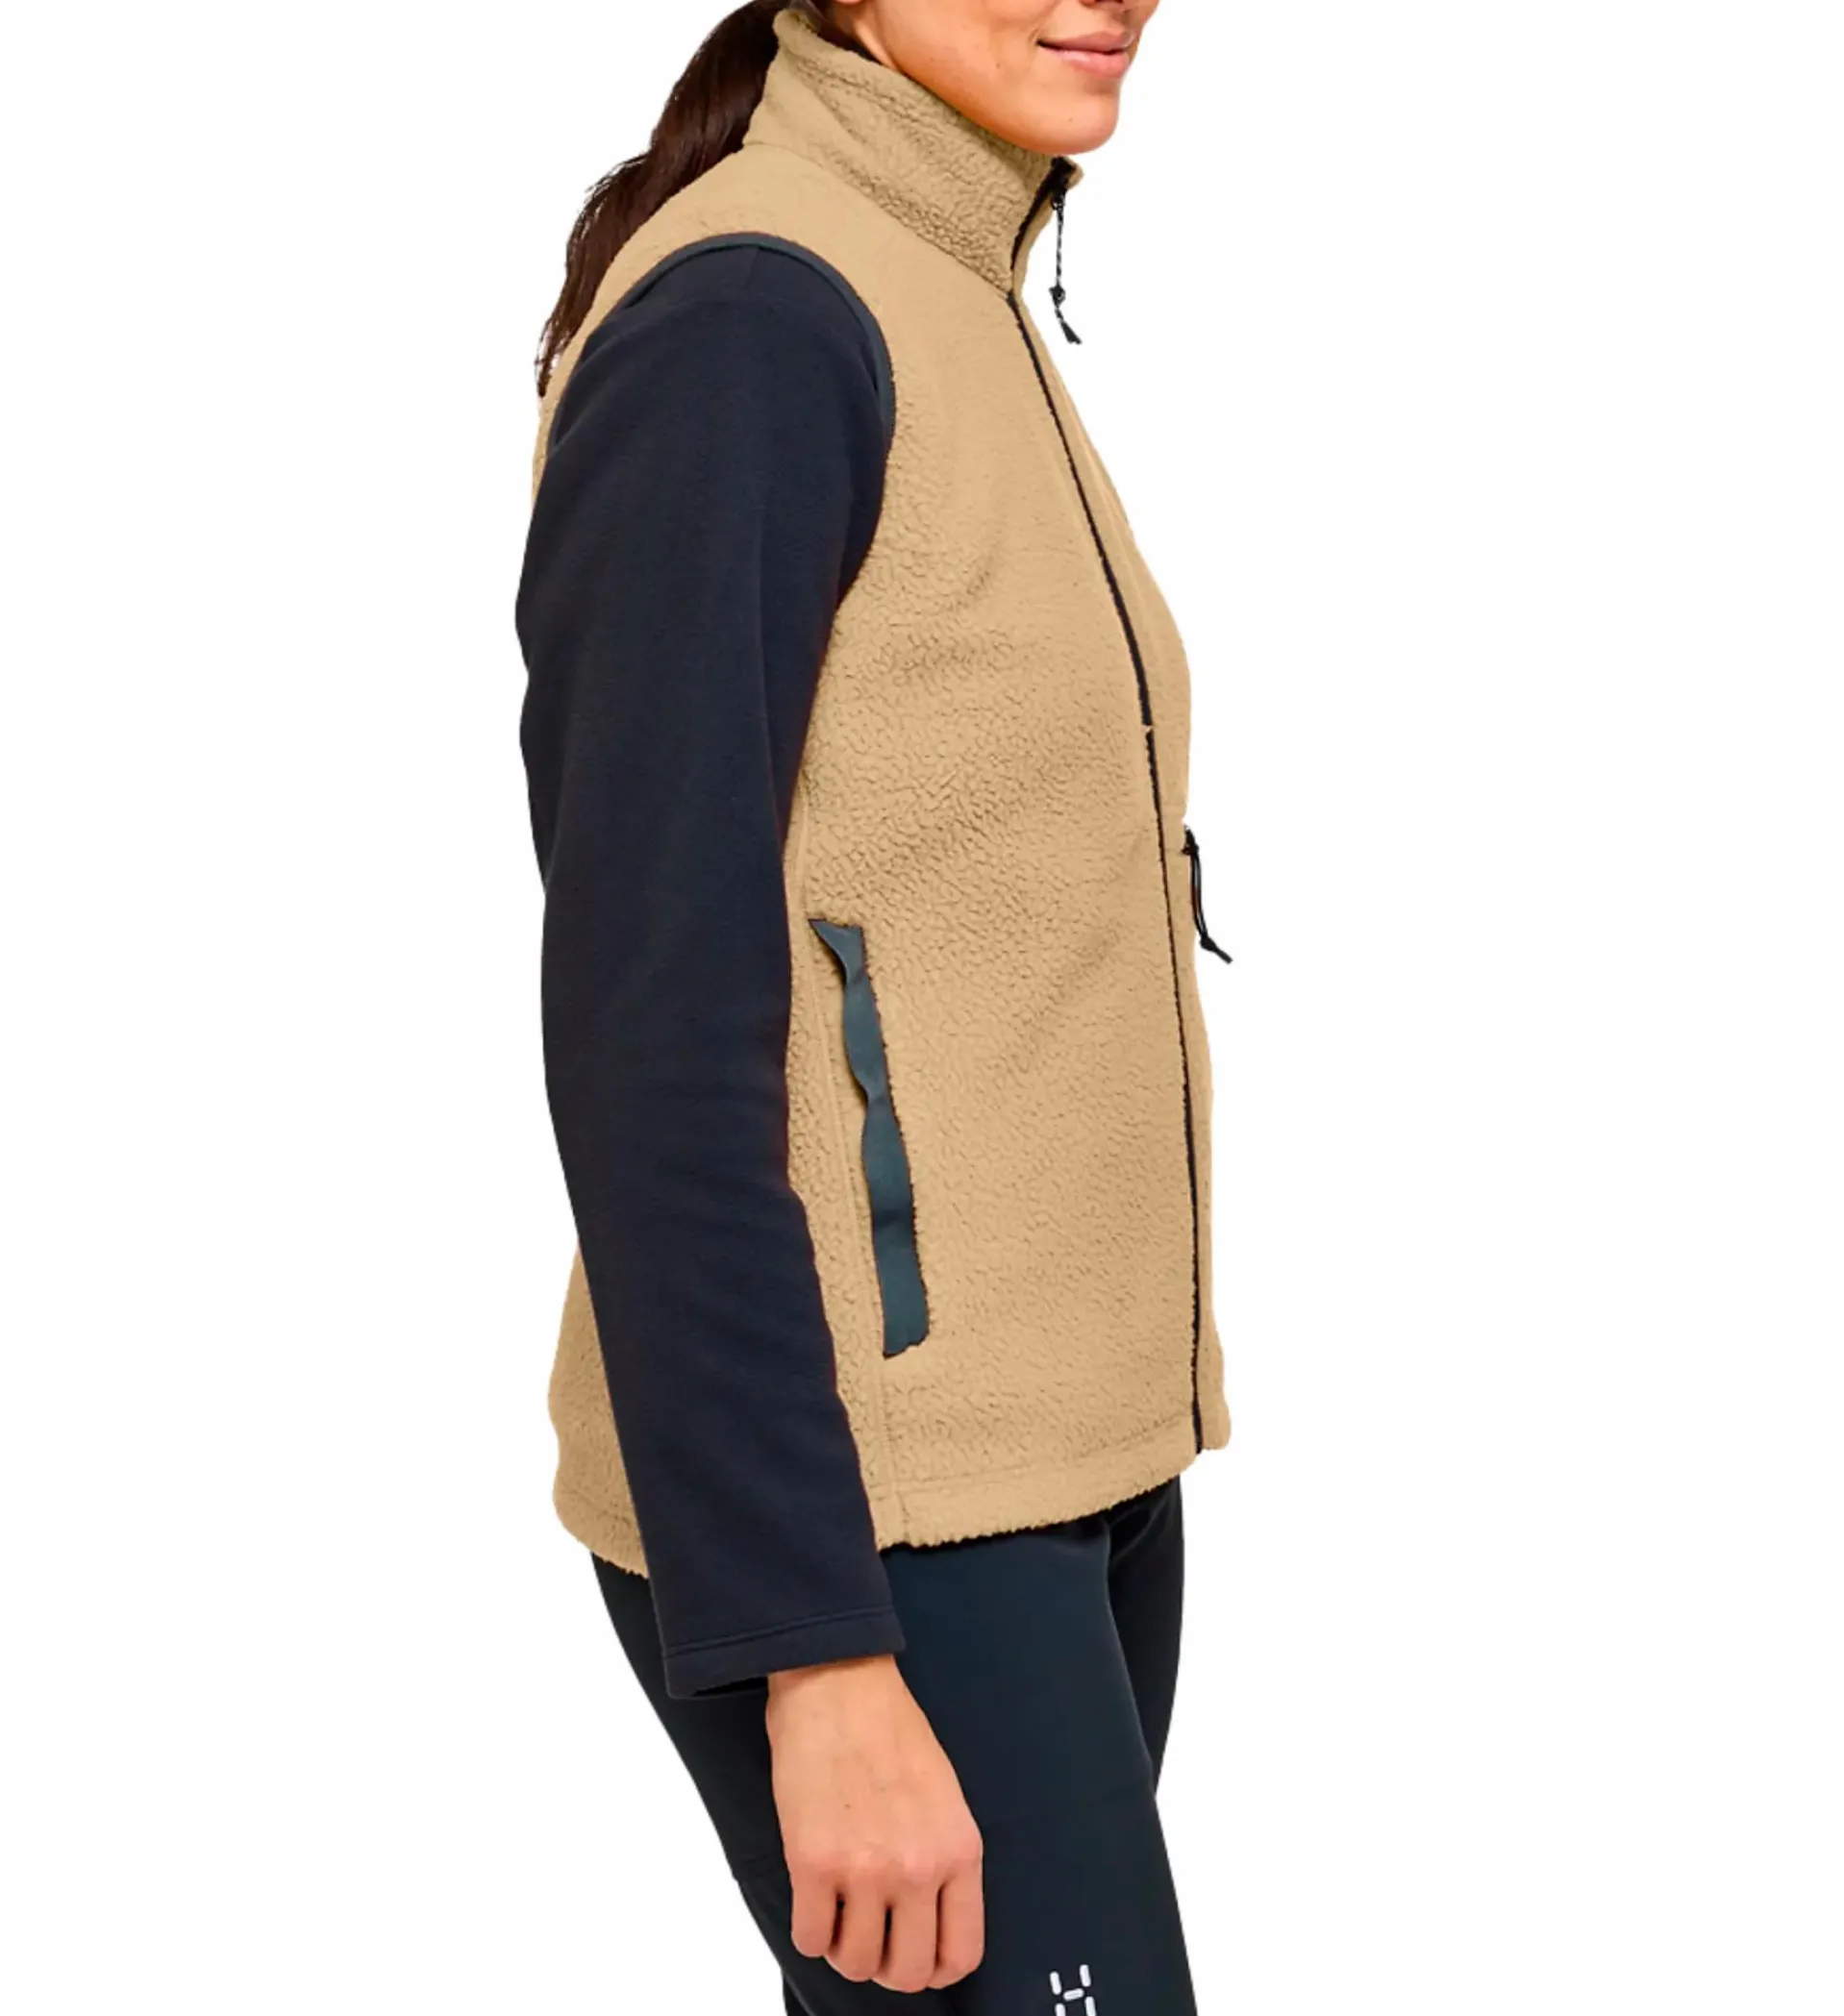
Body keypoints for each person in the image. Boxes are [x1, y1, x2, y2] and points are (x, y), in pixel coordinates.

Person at [514, 3, 1232, 2005]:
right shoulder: (756, 315)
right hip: (870, 1518)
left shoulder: (944, 261)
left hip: (1061, 1461)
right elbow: (650, 1030)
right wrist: (810, 1647)